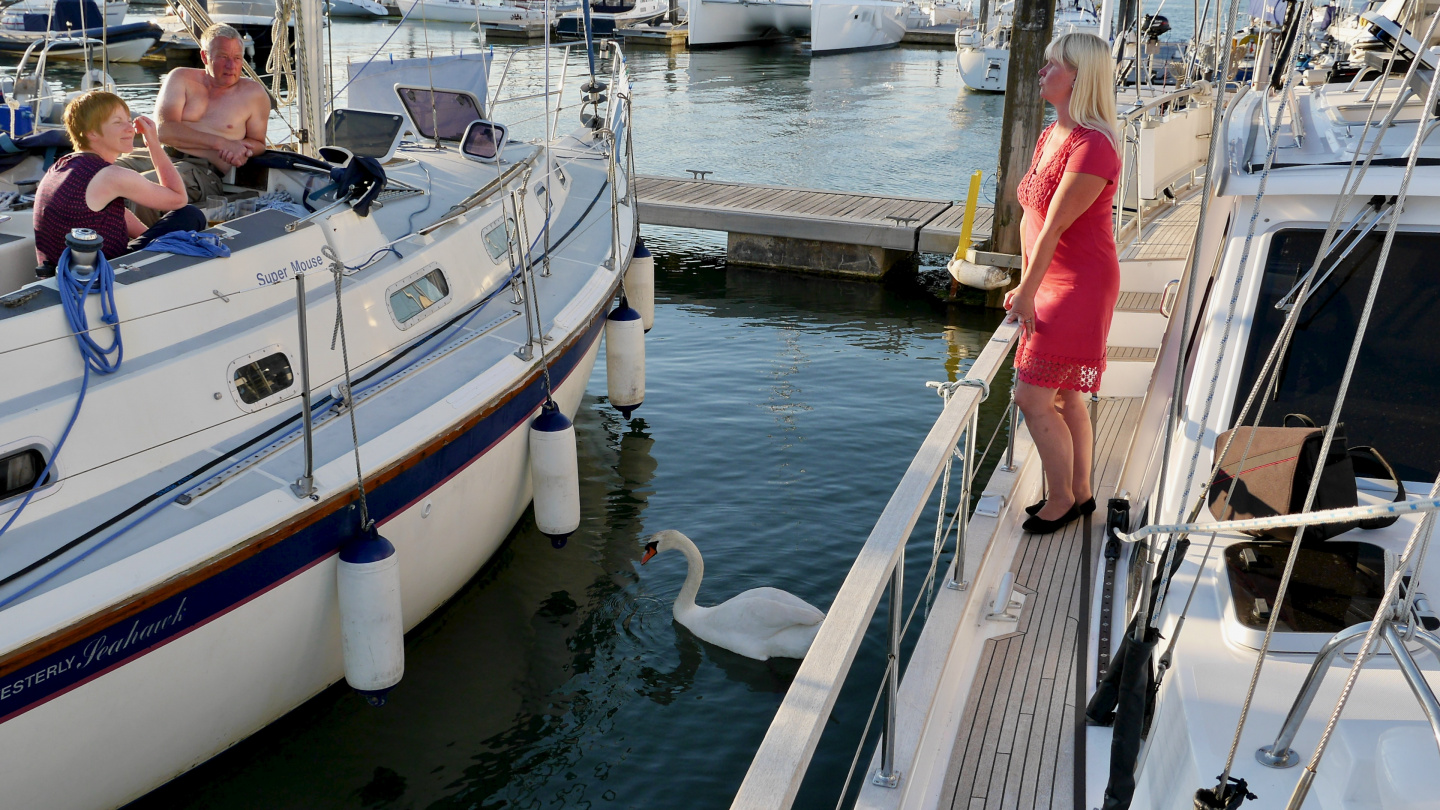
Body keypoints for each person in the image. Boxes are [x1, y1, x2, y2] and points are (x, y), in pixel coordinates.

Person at [1003, 32, 1122, 535]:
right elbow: (1031, 219)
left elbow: (1055, 226)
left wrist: (1028, 291)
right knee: (1066, 397)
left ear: (1079, 77)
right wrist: (1025, 281)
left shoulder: (1093, 147)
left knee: (1034, 399)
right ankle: (1082, 491)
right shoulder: (1053, 134)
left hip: (1078, 286)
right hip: (1048, 278)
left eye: (1053, 65)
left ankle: (1061, 500)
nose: (1042, 71)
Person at [33, 91, 206, 273]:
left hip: (59, 272)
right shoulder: (111, 175)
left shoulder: (62, 164)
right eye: (117, 123)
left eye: (128, 120)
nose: (130, 128)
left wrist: (150, 237)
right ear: (92, 133)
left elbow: (117, 214)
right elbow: (179, 199)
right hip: (100, 275)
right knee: (190, 215)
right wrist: (154, 143)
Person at [115, 23, 270, 224]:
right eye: (223, 57)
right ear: (205, 57)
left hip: (203, 171)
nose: (231, 66)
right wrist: (222, 143)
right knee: (102, 170)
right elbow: (164, 131)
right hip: (161, 153)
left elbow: (258, 143)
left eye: (237, 58)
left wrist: (242, 150)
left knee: (145, 189)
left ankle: (138, 250)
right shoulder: (181, 78)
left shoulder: (254, 94)